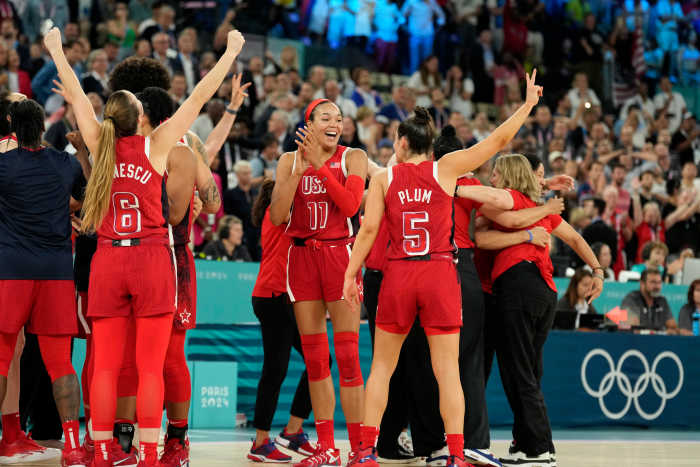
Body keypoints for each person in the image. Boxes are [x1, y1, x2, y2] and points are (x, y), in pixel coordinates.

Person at [45, 26, 245, 466]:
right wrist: (230, 52)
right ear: (139, 116)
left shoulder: (100, 144)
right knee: (152, 366)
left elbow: (78, 96)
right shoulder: (158, 144)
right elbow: (197, 95)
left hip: (109, 258)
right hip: (153, 257)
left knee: (107, 364)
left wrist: (56, 51)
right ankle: (150, 454)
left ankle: (101, 451)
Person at [341, 70, 544, 467]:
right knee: (448, 369)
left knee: (382, 367)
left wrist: (351, 274)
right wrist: (526, 105)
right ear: (431, 145)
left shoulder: (384, 178)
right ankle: (454, 455)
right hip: (439, 273)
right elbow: (498, 141)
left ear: (400, 143)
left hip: (399, 274)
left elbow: (366, 231)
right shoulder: (446, 168)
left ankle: (364, 451)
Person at [479, 153, 603, 466]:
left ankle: (539, 448)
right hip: (545, 291)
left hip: (518, 285)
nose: (491, 178)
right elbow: (574, 238)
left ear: (506, 176)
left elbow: (481, 235)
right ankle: (525, 442)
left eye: (496, 173)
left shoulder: (507, 200)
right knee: (530, 371)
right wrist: (598, 269)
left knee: (518, 371)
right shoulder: (537, 207)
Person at [269, 97, 369, 467]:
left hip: (339, 257)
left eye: (339, 118)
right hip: (301, 259)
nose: (335, 122)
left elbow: (350, 206)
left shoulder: (353, 157)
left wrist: (318, 166)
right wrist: (299, 169)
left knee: (347, 357)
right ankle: (326, 447)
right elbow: (278, 216)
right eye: (326, 117)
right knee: (315, 361)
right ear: (308, 124)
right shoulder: (286, 161)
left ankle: (360, 448)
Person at [0, 98, 89, 466]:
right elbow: (85, 199)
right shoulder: (66, 164)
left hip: (11, 269)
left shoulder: (3, 165)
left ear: (10, 126)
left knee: (3, 358)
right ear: (42, 127)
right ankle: (71, 445)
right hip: (55, 270)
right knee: (61, 364)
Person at [247, 179, 318, 462]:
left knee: (319, 362)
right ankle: (260, 442)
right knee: (275, 370)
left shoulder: (284, 216)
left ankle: (292, 431)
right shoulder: (280, 214)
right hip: (274, 297)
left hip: (281, 298)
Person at [621, 269, 680, 334]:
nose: (657, 286)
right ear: (642, 284)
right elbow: (634, 329)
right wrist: (661, 333)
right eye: (653, 282)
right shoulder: (631, 299)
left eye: (659, 282)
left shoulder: (662, 301)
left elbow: (673, 328)